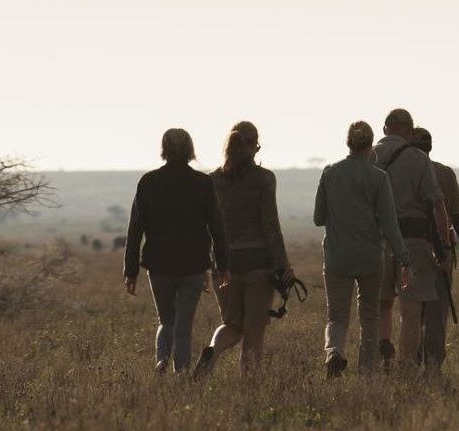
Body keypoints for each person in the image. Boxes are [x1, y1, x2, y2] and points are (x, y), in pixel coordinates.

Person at [123, 128, 229, 374]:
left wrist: (130, 271)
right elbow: (217, 227)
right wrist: (223, 266)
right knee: (184, 325)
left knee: (166, 320)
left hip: (159, 265)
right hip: (193, 265)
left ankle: (161, 358)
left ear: (164, 149)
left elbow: (134, 230)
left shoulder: (148, 182)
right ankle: (180, 372)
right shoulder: (203, 183)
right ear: (190, 150)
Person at [313, 120, 411, 376]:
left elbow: (318, 218)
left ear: (348, 142)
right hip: (369, 257)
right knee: (369, 315)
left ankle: (334, 351)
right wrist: (403, 256)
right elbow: (390, 225)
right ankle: (368, 372)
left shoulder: (329, 172)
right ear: (371, 145)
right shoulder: (379, 178)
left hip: (336, 257)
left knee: (336, 316)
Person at [195, 121, 292, 376]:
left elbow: (204, 228)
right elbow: (271, 226)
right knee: (254, 329)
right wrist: (284, 264)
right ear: (254, 147)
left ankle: (213, 351)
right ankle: (249, 386)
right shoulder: (264, 179)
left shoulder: (212, 180)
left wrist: (206, 264)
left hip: (224, 264)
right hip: (259, 264)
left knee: (232, 325)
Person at [373, 108, 450, 374]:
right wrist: (445, 248)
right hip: (413, 242)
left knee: (380, 303)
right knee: (411, 309)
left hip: (376, 242)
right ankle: (405, 368)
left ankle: (382, 349)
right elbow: (436, 204)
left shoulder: (367, 157)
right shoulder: (418, 158)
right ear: (409, 131)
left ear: (384, 129)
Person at [413, 127, 459, 357]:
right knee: (437, 315)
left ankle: (412, 361)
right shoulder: (444, 173)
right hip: (442, 253)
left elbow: (456, 216)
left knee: (412, 312)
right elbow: (457, 217)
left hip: (410, 251)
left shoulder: (399, 174)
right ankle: (433, 365)